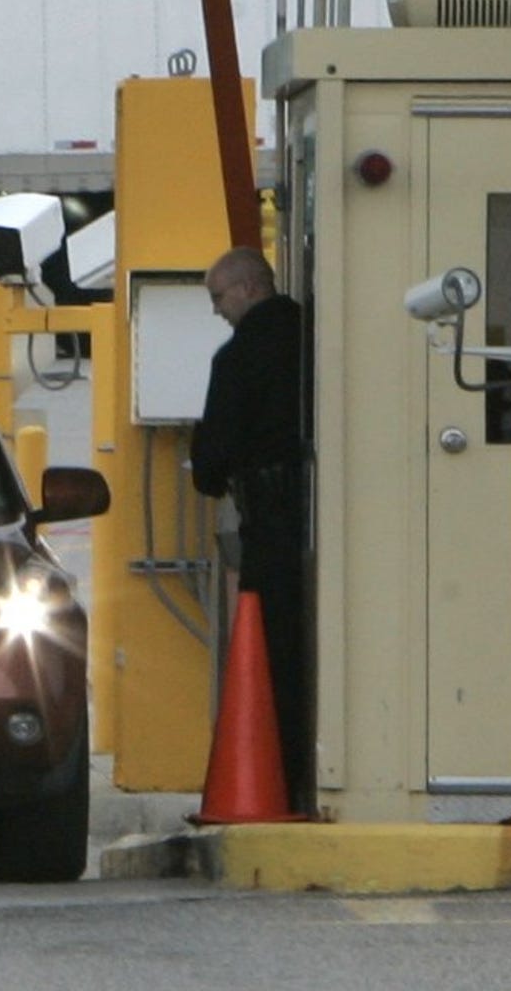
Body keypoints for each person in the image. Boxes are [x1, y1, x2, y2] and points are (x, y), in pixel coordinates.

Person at [189, 245, 310, 809]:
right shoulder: (314, 335)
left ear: (247, 289)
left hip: (270, 518)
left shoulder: (238, 357)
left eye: (218, 297)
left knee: (272, 647)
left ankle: (280, 778)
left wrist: (213, 475)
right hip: (320, 510)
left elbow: (212, 456)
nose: (217, 311)